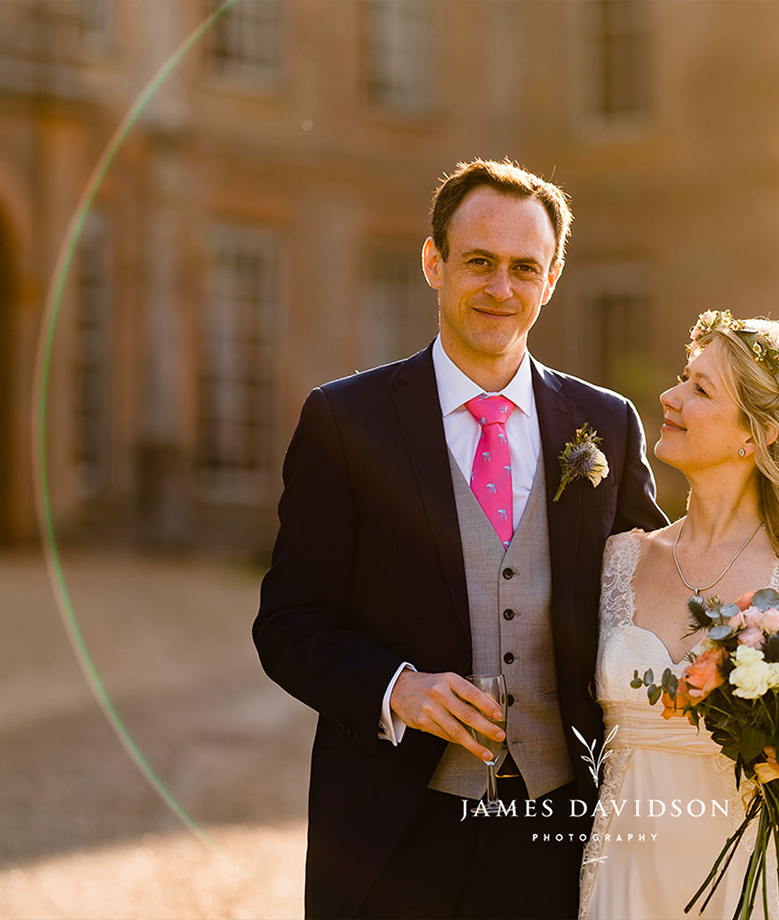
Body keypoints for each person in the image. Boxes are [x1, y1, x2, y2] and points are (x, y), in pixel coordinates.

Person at [254, 159, 667, 919]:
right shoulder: (346, 422)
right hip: (393, 826)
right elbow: (288, 625)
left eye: (523, 268)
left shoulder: (605, 424)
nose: (500, 289)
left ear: (552, 278)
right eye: (479, 262)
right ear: (433, 262)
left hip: (561, 828)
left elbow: (658, 602)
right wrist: (396, 689)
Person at [580, 310, 779, 920]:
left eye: (700, 388)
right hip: (629, 869)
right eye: (683, 377)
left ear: (758, 433)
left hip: (755, 871)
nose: (670, 395)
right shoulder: (621, 558)